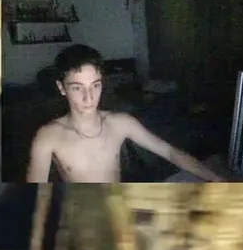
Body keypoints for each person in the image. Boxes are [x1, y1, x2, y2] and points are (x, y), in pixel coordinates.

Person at [26, 44, 225, 183]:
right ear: (62, 88)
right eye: (77, 88)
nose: (89, 97)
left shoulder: (120, 122)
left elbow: (170, 152)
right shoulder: (48, 136)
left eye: (95, 85)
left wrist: (214, 178)